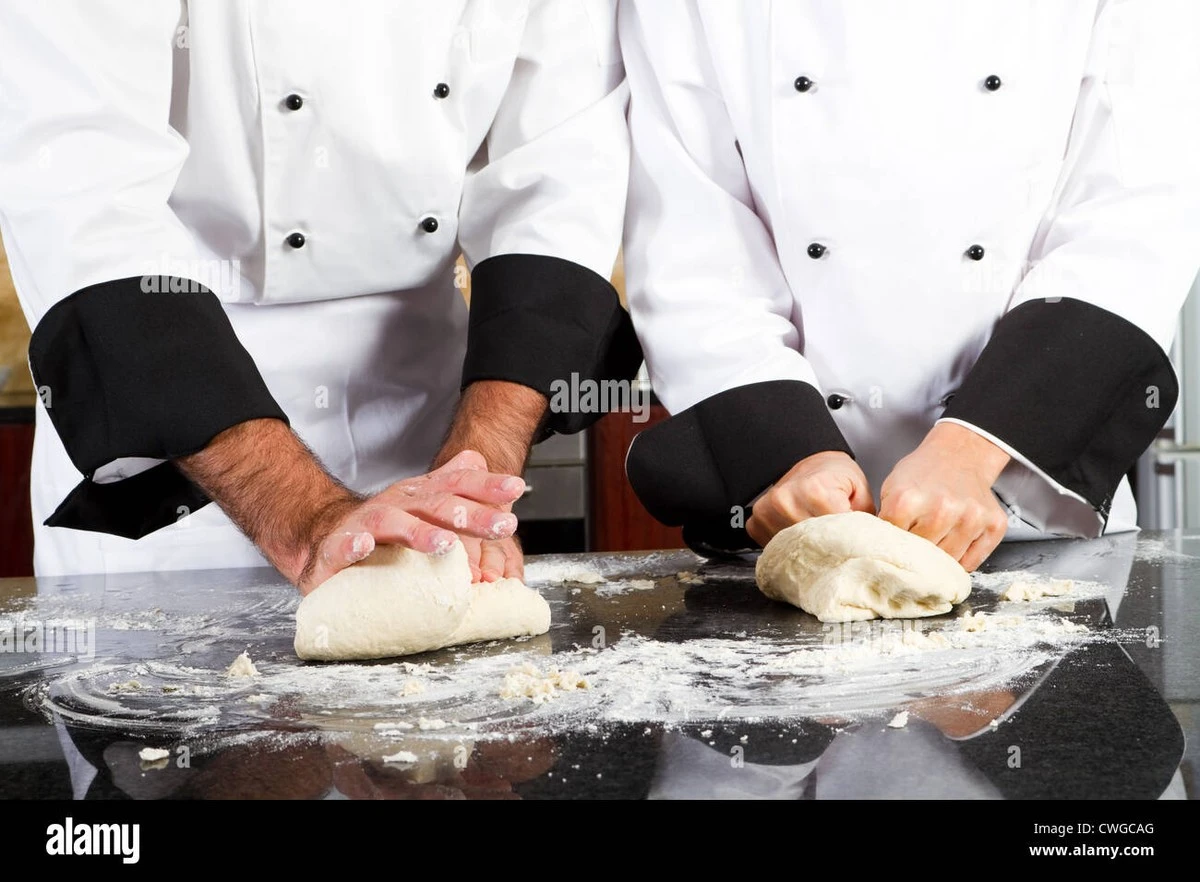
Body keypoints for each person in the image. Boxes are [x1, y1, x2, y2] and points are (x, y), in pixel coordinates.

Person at [0, 1, 639, 590]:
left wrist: (475, 474)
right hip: (186, 471)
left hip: (432, 433)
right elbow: (85, 197)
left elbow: (557, 171)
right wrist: (305, 523)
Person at [618, 0, 1200, 567]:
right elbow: (691, 234)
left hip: (1032, 514)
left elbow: (1132, 225)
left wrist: (969, 451)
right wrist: (787, 454)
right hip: (786, 522)